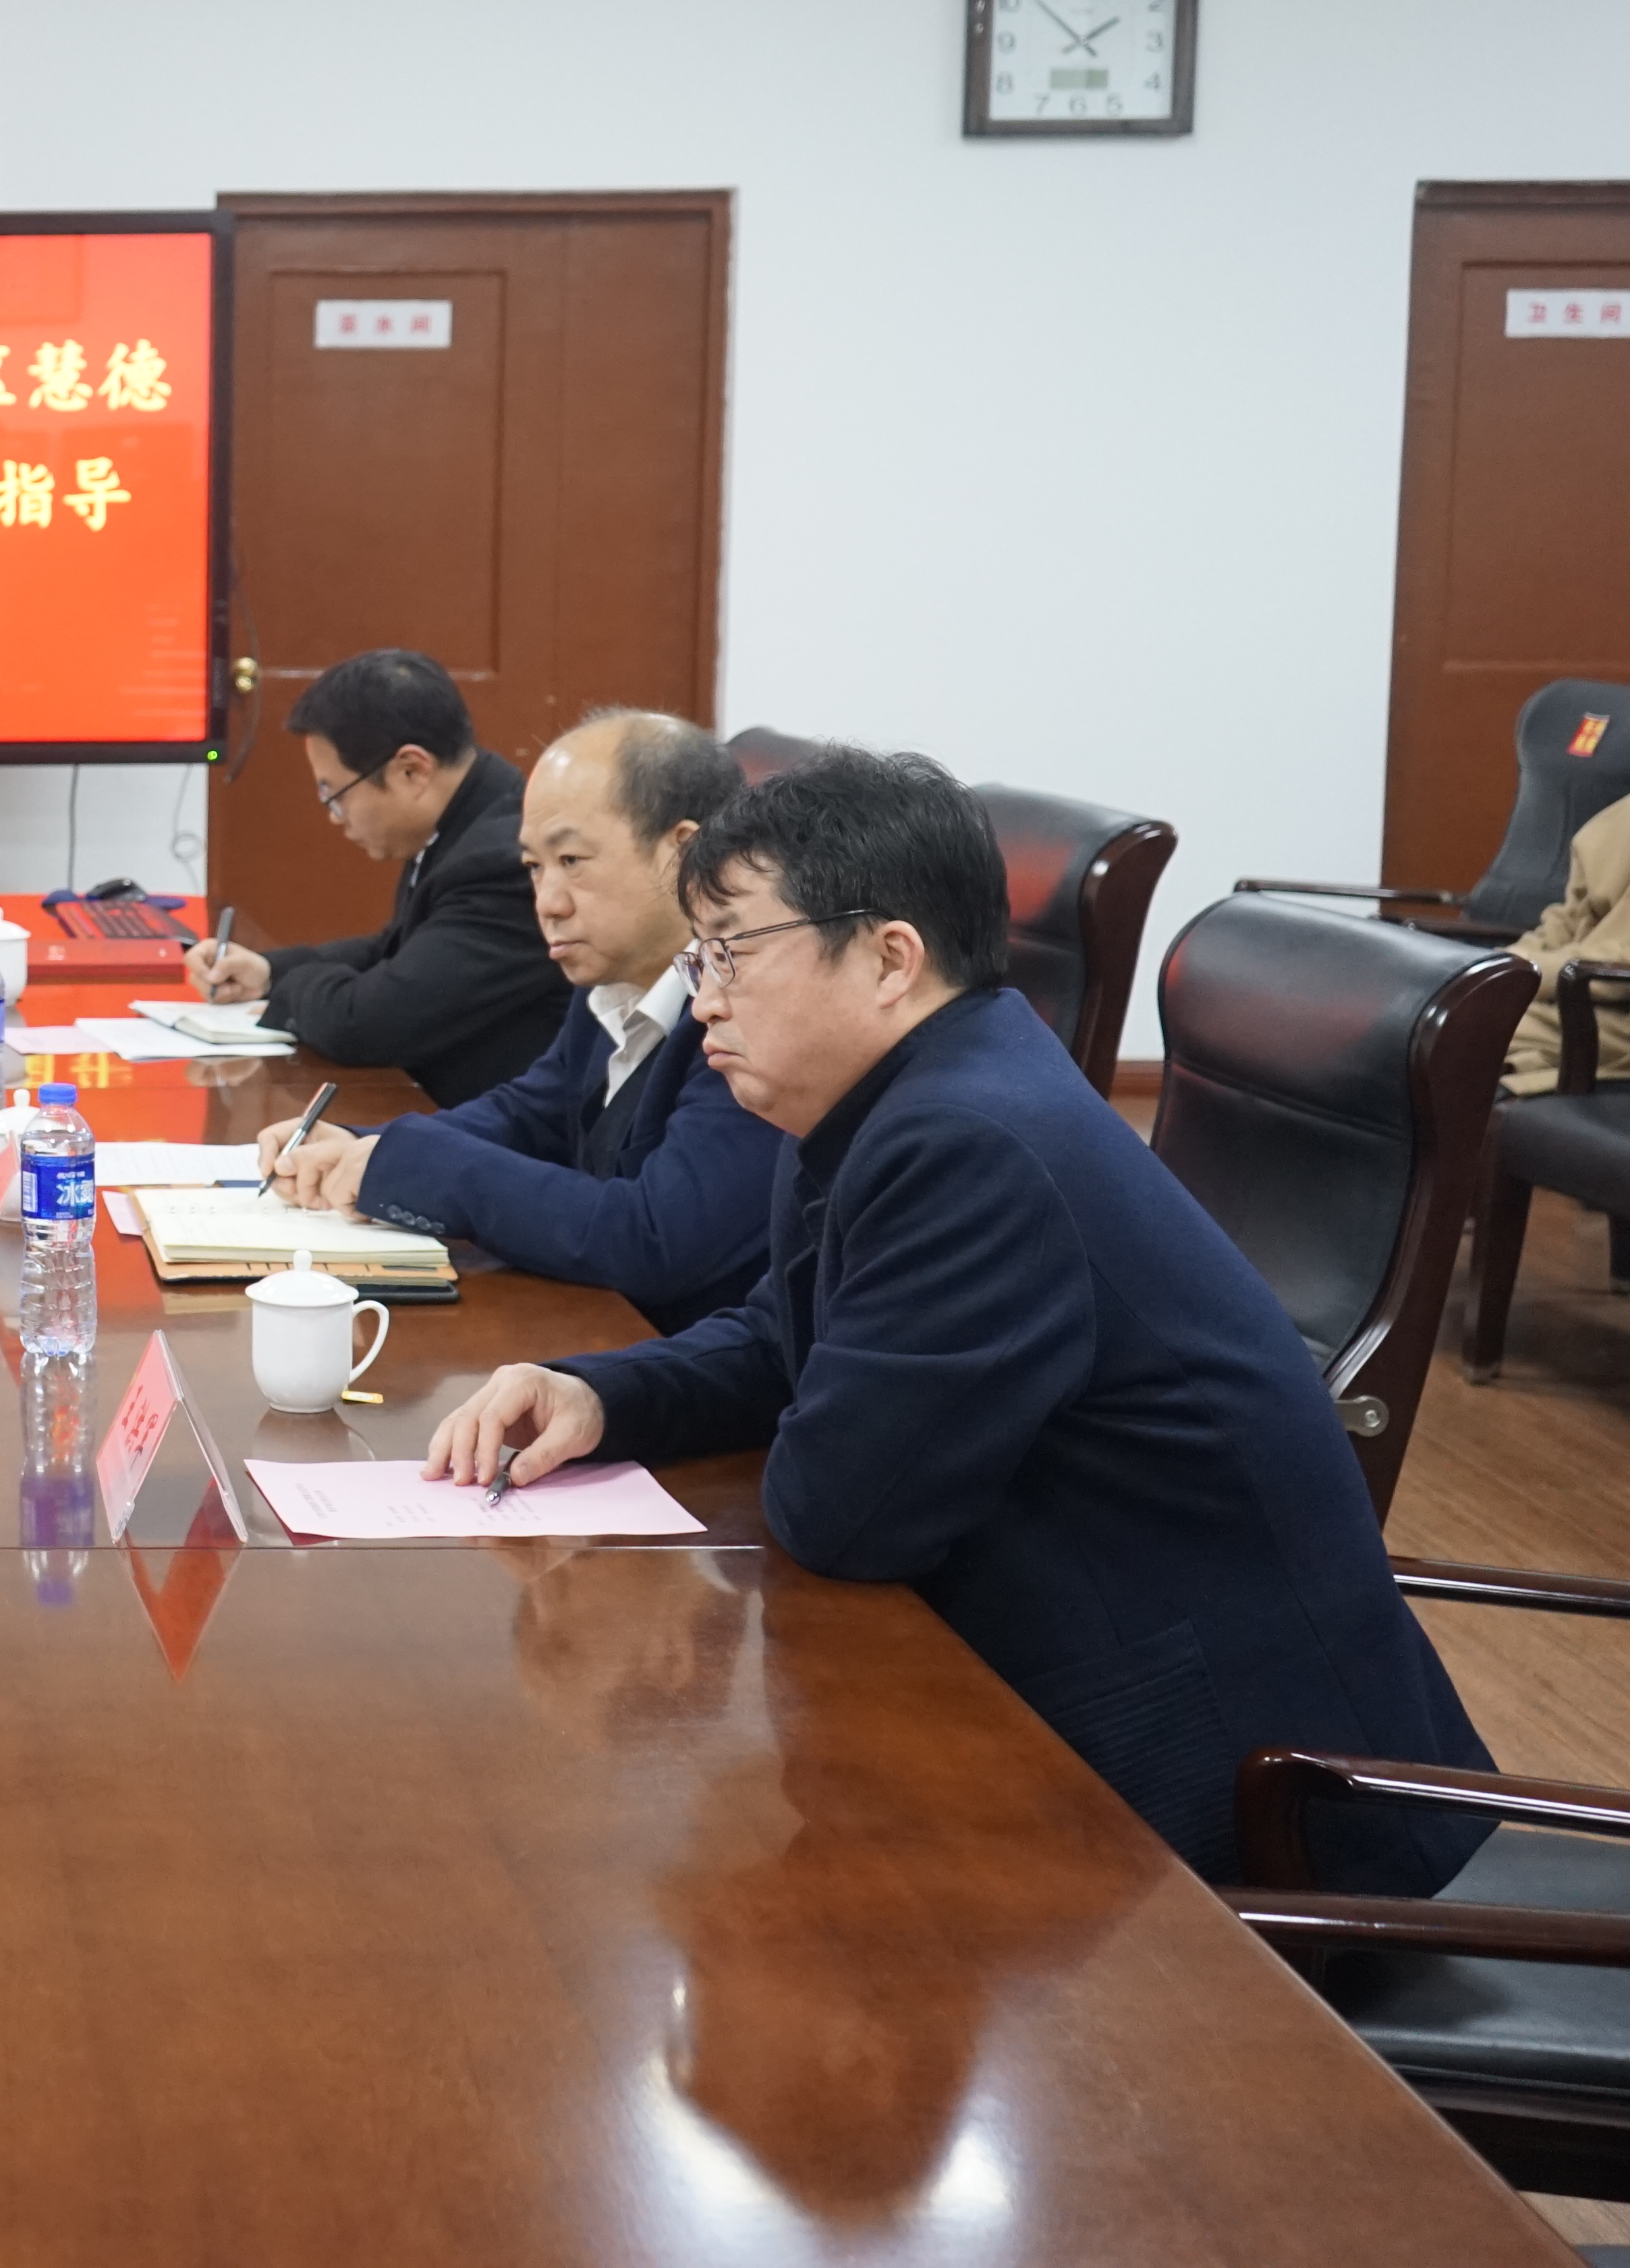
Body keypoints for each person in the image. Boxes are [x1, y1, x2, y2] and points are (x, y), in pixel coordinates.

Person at [425, 748, 1496, 1897]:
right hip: (1081, 1709)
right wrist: (603, 1394)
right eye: (699, 956)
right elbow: (788, 1337)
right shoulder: (901, 1092)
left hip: (1249, 1816)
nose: (706, 998)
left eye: (732, 951)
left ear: (891, 958)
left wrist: (800, 1405)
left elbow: (840, 1516)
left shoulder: (971, 1145)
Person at [260, 710, 779, 1332]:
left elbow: (654, 1237)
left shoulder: (751, 1008)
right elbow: (530, 1115)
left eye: (572, 860)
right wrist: (362, 1146)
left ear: (683, 852)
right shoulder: (611, 980)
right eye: (535, 867)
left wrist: (426, 1166)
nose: (548, 903)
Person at [184, 648, 563, 1107]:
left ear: (411, 771)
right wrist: (268, 973)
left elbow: (367, 1025)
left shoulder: (501, 861)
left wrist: (290, 991)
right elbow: (397, 949)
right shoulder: (465, 821)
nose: (335, 817)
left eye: (336, 795)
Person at [1498, 792, 1630, 1097]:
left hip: (1614, 1012)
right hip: (1577, 995)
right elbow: (1568, 920)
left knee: (1464, 1026)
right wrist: (1500, 965)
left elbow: (1620, 963)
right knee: (1436, 1013)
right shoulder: (1612, 822)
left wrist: (1527, 973)